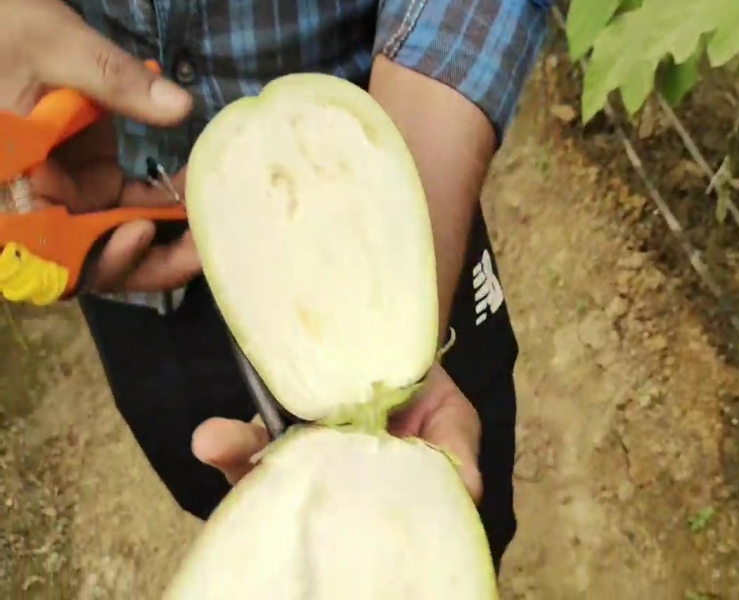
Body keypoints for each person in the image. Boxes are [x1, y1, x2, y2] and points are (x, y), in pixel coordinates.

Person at [2, 0, 548, 574]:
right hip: (126, 253)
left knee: (463, 506)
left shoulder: (401, 271)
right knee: (202, 470)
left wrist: (399, 241)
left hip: (396, 179)